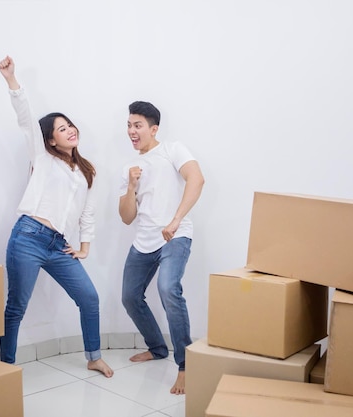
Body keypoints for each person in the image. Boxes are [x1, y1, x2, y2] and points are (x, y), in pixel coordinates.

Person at [0, 55, 113, 378]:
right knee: (17, 306)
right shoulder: (42, 156)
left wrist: (85, 246)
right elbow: (25, 117)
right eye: (61, 129)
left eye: (70, 125)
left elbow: (87, 213)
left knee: (89, 297)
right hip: (28, 238)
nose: (70, 130)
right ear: (51, 139)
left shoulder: (87, 171)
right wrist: (12, 80)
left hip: (58, 245)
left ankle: (94, 356)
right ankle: (7, 366)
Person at [119, 100, 205, 394]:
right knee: (130, 297)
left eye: (138, 125)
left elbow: (197, 178)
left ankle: (185, 365)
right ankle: (157, 348)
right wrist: (130, 186)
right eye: (129, 125)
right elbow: (127, 217)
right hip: (144, 240)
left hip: (175, 235)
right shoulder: (130, 168)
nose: (132, 130)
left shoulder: (172, 149)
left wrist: (176, 220)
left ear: (153, 129)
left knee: (169, 289)